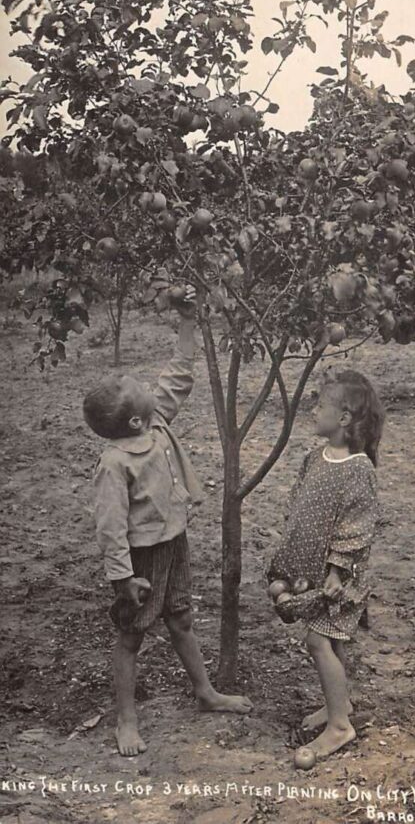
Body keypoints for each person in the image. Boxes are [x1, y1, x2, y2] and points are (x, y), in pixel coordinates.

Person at [83, 289, 252, 757]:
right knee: (131, 635)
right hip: (141, 557)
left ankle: (205, 693)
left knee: (180, 618)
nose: (150, 388)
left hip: (174, 541)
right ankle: (127, 719)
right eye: (141, 388)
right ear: (137, 420)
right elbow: (110, 527)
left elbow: (179, 374)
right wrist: (122, 577)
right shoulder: (115, 464)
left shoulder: (153, 424)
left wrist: (188, 322)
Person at [269, 369, 384, 760]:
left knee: (317, 641)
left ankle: (339, 727)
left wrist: (336, 570)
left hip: (341, 578)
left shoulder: (358, 469)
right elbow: (299, 513)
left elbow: (357, 526)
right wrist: (289, 569)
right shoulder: (312, 459)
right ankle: (341, 705)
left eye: (321, 405)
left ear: (345, 418)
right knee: (331, 641)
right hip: (312, 574)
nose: (314, 409)